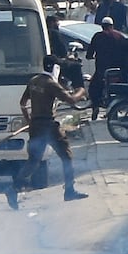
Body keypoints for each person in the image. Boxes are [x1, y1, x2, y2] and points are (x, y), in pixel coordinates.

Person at [7, 57, 88, 209]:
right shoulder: (51, 84)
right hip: (49, 126)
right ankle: (69, 190)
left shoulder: (34, 80)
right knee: (66, 156)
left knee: (33, 161)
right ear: (55, 68)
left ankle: (13, 188)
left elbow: (23, 103)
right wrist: (81, 91)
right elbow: (71, 100)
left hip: (36, 126)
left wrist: (29, 120)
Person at [86, 17, 128, 118]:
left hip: (102, 70)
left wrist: (91, 56)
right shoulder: (119, 36)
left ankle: (95, 106)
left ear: (102, 26)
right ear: (112, 26)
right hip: (118, 70)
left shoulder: (98, 36)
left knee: (93, 89)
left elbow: (89, 54)